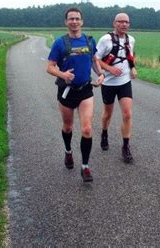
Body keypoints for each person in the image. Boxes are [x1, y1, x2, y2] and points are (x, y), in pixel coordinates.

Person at [46, 7, 105, 182]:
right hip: (67, 91)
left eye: (77, 18)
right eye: (71, 19)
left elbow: (94, 60)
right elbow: (49, 67)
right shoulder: (59, 43)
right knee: (68, 127)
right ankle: (68, 151)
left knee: (87, 129)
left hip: (85, 90)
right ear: (66, 22)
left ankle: (85, 166)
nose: (74, 21)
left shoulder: (89, 40)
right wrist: (63, 75)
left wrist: (100, 74)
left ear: (82, 21)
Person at [96, 13, 137, 163]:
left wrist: (133, 68)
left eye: (126, 22)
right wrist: (109, 69)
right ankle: (104, 133)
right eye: (121, 22)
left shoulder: (131, 39)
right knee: (108, 113)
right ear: (114, 23)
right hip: (108, 83)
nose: (124, 24)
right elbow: (96, 59)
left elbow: (130, 55)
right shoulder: (105, 39)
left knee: (127, 114)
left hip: (124, 82)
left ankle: (125, 146)